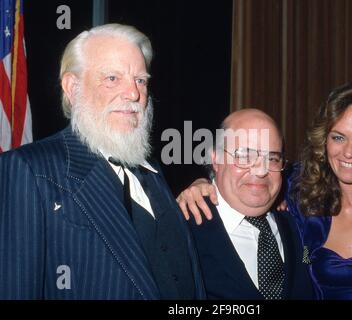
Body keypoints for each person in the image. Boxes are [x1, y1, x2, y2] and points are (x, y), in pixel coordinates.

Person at [0, 23, 205, 299]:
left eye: (140, 80)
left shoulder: (153, 172)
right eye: (112, 78)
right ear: (73, 88)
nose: (133, 94)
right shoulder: (29, 169)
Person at [177, 82, 352, 299]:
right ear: (325, 140)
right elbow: (245, 184)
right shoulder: (301, 196)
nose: (349, 152)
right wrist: (203, 184)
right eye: (338, 137)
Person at [182, 108, 315, 300]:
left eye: (272, 158)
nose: (261, 171)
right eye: (245, 156)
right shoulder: (183, 230)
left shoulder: (298, 223)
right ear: (216, 159)